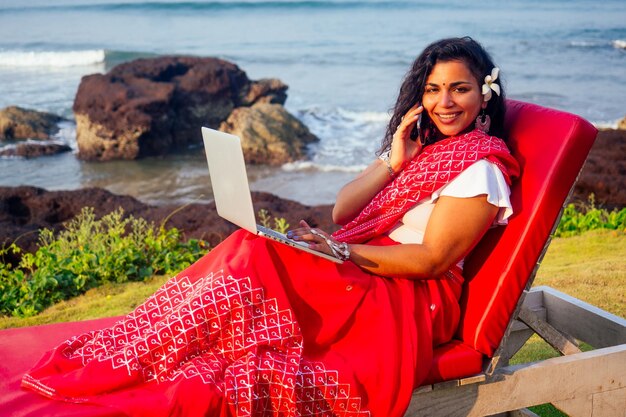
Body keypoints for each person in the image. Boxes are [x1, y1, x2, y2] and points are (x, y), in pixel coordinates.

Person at [22, 37, 519, 417]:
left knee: (259, 255)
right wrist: (393, 162)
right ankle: (147, 349)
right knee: (251, 244)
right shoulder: (426, 152)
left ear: (484, 94)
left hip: (410, 295)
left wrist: (340, 254)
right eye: (433, 89)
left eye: (459, 88)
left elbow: (432, 259)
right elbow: (345, 213)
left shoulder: (480, 170)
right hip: (372, 266)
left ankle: (148, 355)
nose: (444, 102)